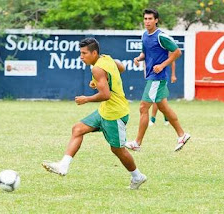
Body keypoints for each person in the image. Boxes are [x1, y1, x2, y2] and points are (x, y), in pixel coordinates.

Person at [42, 38, 147, 190]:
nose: (81, 56)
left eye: (84, 53)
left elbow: (105, 95)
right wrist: (102, 80)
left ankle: (138, 176)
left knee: (117, 150)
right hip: (105, 110)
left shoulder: (96, 69)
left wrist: (87, 98)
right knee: (77, 129)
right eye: (80, 53)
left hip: (114, 113)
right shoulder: (107, 58)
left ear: (94, 53)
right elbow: (121, 68)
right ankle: (63, 165)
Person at [125, 8, 190, 152]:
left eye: (150, 19)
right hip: (152, 77)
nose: (147, 21)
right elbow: (144, 53)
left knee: (143, 107)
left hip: (157, 78)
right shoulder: (144, 36)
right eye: (145, 19)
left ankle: (137, 143)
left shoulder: (161, 36)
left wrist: (162, 65)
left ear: (156, 20)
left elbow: (177, 52)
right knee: (163, 108)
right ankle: (182, 135)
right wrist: (138, 58)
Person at [149, 54, 177, 126]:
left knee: (157, 97)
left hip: (162, 77)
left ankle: (153, 120)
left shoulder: (165, 45)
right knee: (161, 98)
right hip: (152, 77)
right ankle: (166, 119)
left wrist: (173, 75)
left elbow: (172, 60)